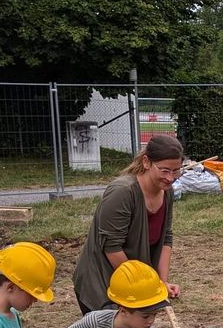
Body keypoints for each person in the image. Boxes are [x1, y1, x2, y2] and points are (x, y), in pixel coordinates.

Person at [72, 134, 184, 316]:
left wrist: (161, 282)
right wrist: (143, 285)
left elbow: (166, 238)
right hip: (102, 281)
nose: (171, 178)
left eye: (176, 171)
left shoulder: (166, 192)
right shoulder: (122, 192)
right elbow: (112, 247)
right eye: (164, 170)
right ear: (147, 162)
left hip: (133, 281)